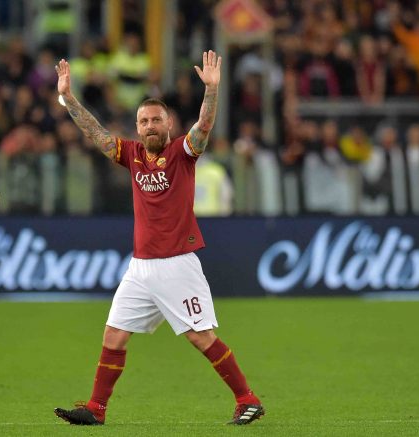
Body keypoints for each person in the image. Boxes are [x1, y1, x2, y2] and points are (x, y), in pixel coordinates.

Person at [53, 50, 264, 426]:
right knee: (114, 335)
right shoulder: (132, 154)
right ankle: (96, 409)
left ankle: (247, 399)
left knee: (201, 337)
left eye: (155, 120)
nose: (149, 126)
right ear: (137, 127)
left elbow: (204, 126)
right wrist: (68, 97)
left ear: (168, 124)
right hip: (140, 268)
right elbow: (96, 133)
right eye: (143, 121)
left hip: (177, 265)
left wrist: (211, 90)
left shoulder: (182, 152)